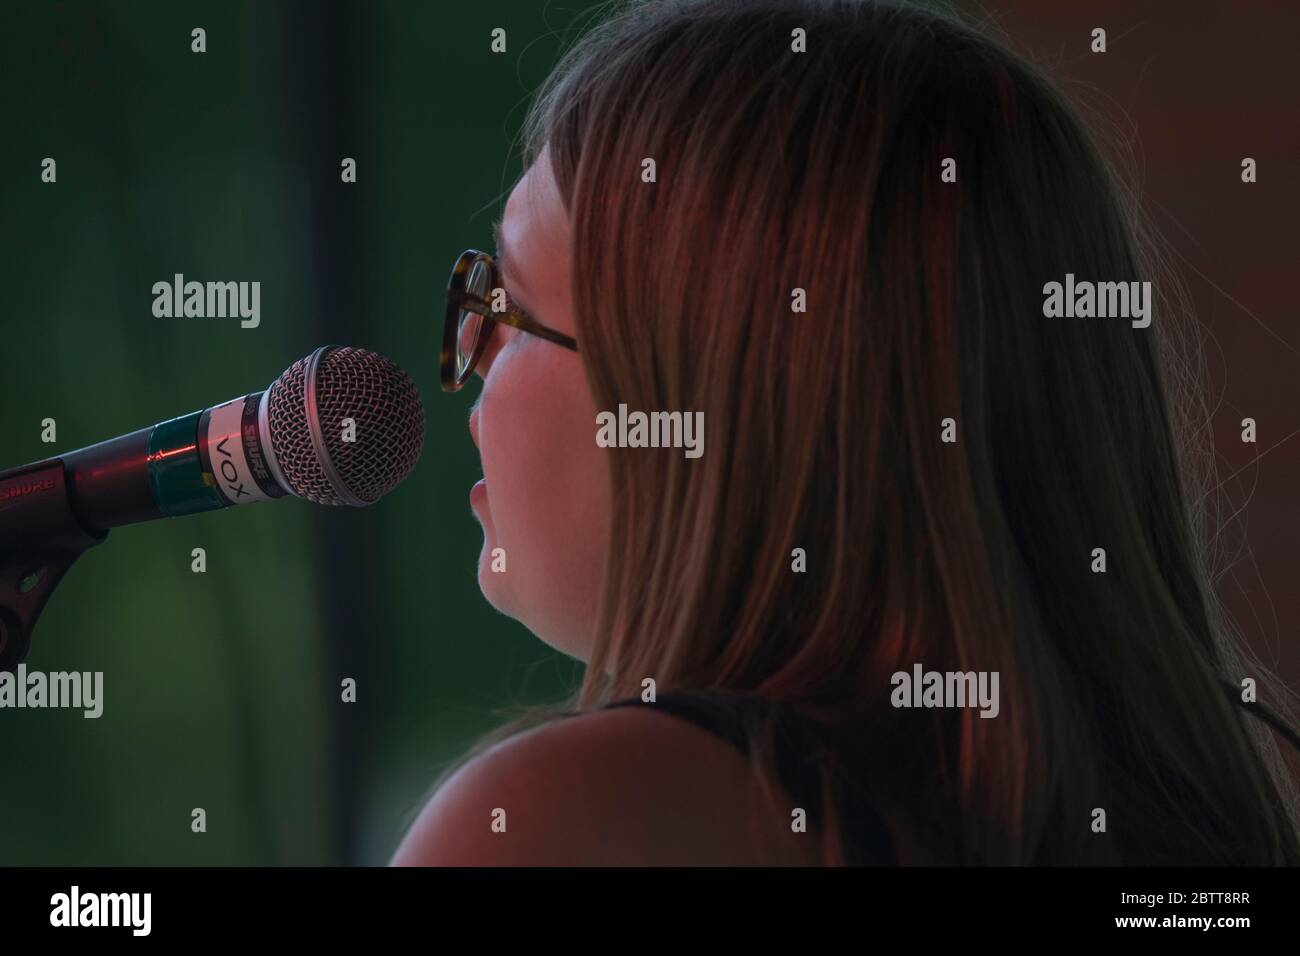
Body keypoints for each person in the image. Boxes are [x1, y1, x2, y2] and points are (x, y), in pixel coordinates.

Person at [392, 0, 1300, 865]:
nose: (470, 352)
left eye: (508, 304)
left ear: (716, 405)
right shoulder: (1188, 835)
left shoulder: (555, 823)